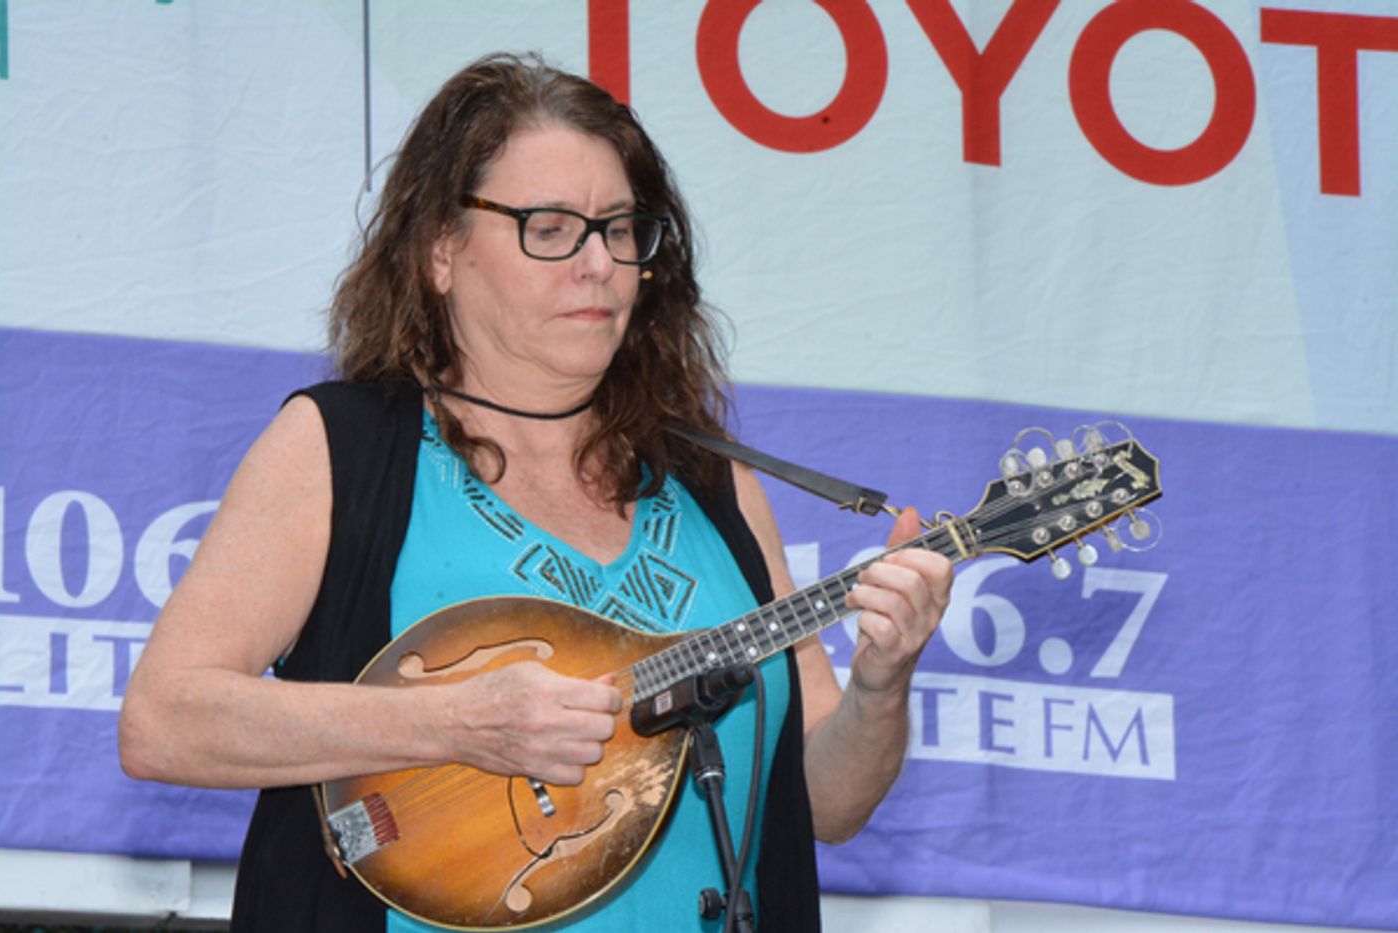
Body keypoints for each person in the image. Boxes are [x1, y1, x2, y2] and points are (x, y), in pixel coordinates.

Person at [118, 52, 952, 933]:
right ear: (441, 249)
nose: (597, 263)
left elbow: (827, 804)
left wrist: (880, 684)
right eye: (549, 227)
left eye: (620, 228)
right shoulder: (345, 447)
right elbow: (165, 720)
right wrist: (458, 722)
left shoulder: (712, 482)